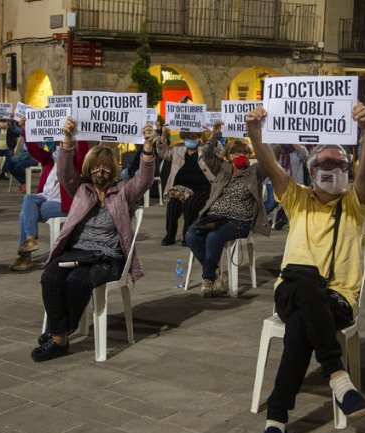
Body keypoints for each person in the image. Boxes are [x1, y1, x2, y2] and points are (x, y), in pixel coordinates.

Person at [246, 102, 365, 433]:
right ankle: (337, 375)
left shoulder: (354, 203)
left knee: (300, 326)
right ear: (311, 170)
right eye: (323, 164)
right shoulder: (297, 198)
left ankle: (276, 417)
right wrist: (256, 134)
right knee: (304, 276)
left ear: (348, 172)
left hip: (337, 300)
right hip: (290, 291)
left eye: (338, 164)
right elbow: (271, 166)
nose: (330, 169)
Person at [32, 118, 155, 362]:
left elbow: (144, 180)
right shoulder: (81, 189)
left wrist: (148, 148)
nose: (101, 171)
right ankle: (60, 332)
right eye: (96, 167)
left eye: (106, 167)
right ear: (89, 169)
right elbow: (64, 173)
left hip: (108, 257)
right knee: (50, 277)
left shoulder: (123, 191)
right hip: (78, 252)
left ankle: (59, 337)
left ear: (113, 169)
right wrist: (68, 140)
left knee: (77, 281)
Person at [184, 124, 269, 297]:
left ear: (249, 155)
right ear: (229, 156)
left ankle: (207, 278)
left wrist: (259, 135)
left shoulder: (255, 172)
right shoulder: (222, 168)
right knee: (191, 235)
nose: (241, 155)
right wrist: (214, 135)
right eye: (236, 152)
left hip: (239, 220)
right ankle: (216, 273)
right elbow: (206, 154)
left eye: (245, 152)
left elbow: (268, 159)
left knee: (214, 237)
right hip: (214, 216)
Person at [11, 127, 91, 272]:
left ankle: (26, 253)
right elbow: (33, 149)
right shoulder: (50, 159)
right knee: (28, 199)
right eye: (60, 142)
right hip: (45, 198)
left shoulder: (76, 162)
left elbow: (84, 152)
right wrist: (26, 129)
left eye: (65, 141)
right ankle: (30, 240)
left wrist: (79, 131)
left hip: (63, 205)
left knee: (24, 214)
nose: (62, 143)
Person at [157, 128, 224, 246]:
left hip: (203, 188)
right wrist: (163, 136)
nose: (190, 141)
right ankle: (170, 235)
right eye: (188, 138)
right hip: (182, 188)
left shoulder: (205, 149)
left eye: (194, 138)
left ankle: (188, 235)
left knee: (191, 205)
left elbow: (220, 153)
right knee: (173, 204)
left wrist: (212, 137)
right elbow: (164, 153)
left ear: (199, 137)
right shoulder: (178, 149)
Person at [265, 143, 308, 230]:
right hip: (275, 181)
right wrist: (278, 146)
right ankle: (255, 219)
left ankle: (283, 220)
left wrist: (292, 141)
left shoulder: (298, 148)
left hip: (294, 182)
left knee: (296, 202)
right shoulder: (274, 145)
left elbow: (305, 156)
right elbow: (268, 159)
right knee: (271, 203)